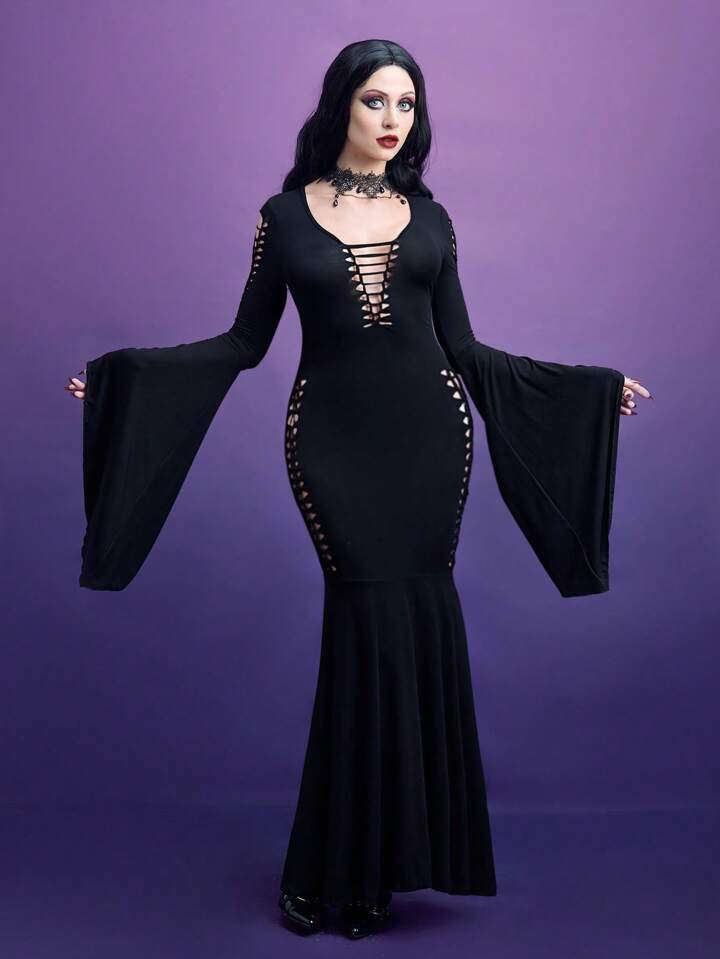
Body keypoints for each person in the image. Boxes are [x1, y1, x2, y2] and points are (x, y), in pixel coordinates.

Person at [65, 40, 651, 940]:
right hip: (331, 446)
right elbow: (242, 343)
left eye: (407, 105)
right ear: (341, 103)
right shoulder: (283, 216)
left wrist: (589, 390)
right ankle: (329, 866)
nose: (392, 120)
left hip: (431, 445)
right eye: (376, 100)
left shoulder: (433, 219)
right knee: (359, 633)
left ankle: (376, 871)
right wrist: (121, 379)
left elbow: (467, 350)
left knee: (412, 627)